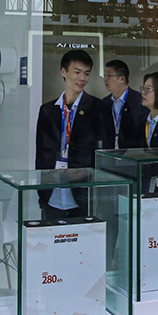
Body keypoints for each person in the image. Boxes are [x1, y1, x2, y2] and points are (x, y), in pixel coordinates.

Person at [34, 49, 105, 220]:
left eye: (86, 73)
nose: (82, 78)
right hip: (52, 191)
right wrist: (41, 192)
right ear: (63, 72)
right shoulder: (48, 110)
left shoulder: (98, 108)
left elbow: (103, 151)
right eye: (77, 72)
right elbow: (41, 154)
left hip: (83, 190)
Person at [101, 59, 146, 149]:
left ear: (122, 79)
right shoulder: (105, 102)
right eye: (104, 75)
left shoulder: (140, 100)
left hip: (132, 152)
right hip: (109, 153)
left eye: (109, 75)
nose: (105, 79)